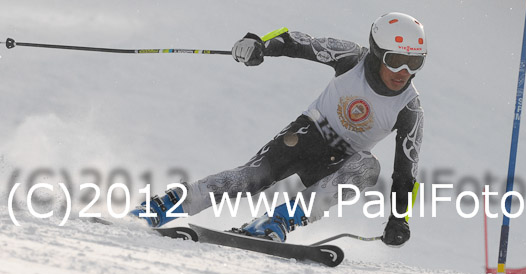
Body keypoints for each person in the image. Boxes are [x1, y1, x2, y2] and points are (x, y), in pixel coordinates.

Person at [132, 12, 426, 247]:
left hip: (342, 163)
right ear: (376, 52)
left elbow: (405, 174)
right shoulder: (352, 58)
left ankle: (276, 222)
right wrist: (259, 44)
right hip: (307, 136)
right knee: (251, 179)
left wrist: (399, 219)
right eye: (395, 60)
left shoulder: (409, 109)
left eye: (414, 63)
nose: (403, 72)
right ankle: (167, 204)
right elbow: (298, 41)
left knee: (368, 168)